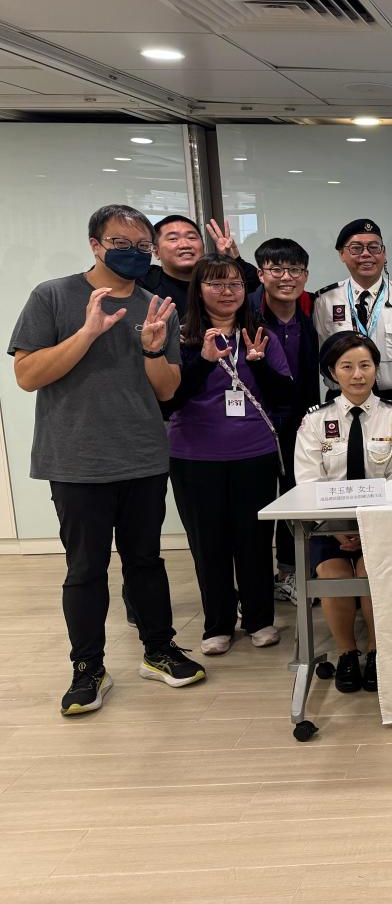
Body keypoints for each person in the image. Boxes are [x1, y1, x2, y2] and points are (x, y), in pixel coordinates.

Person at [8, 203, 205, 715]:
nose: (133, 254)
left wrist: (152, 349)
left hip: (142, 455)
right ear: (95, 245)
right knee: (85, 568)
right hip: (77, 459)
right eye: (121, 244)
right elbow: (27, 376)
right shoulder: (53, 295)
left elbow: (167, 391)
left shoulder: (156, 305)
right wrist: (88, 332)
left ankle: (159, 650)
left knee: (146, 561)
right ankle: (87, 667)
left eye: (142, 247)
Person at [165, 254, 295, 656]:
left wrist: (260, 364)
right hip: (194, 456)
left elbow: (285, 398)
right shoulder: (180, 338)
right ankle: (217, 623)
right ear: (198, 289)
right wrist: (204, 363)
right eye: (216, 284)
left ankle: (259, 619)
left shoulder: (260, 336)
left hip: (254, 453)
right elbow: (169, 400)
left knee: (254, 539)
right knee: (208, 543)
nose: (227, 292)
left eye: (235, 284)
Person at [295, 332, 392, 692]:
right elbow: (308, 483)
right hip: (328, 527)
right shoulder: (316, 421)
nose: (358, 375)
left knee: (369, 571)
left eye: (365, 365)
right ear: (333, 373)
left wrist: (367, 530)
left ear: (377, 369)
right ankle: (347, 652)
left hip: (379, 526)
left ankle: (377, 652)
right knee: (332, 576)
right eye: (347, 367)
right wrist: (336, 528)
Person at [249, 238, 319, 604]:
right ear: (261, 275)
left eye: (294, 270)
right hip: (256, 422)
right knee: (259, 502)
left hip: (303, 419)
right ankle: (256, 586)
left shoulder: (313, 310)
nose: (286, 277)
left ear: (305, 275)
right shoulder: (247, 314)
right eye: (276, 269)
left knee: (297, 492)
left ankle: (290, 572)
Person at [312, 218, 392, 405]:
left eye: (374, 247)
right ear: (342, 254)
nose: (366, 254)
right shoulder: (324, 301)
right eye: (356, 248)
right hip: (341, 400)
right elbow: (321, 355)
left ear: (384, 253)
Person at [139, 215, 258, 314]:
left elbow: (256, 285)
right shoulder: (145, 282)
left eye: (191, 237)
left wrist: (234, 261)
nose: (185, 245)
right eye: (173, 239)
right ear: (156, 251)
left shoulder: (218, 280)